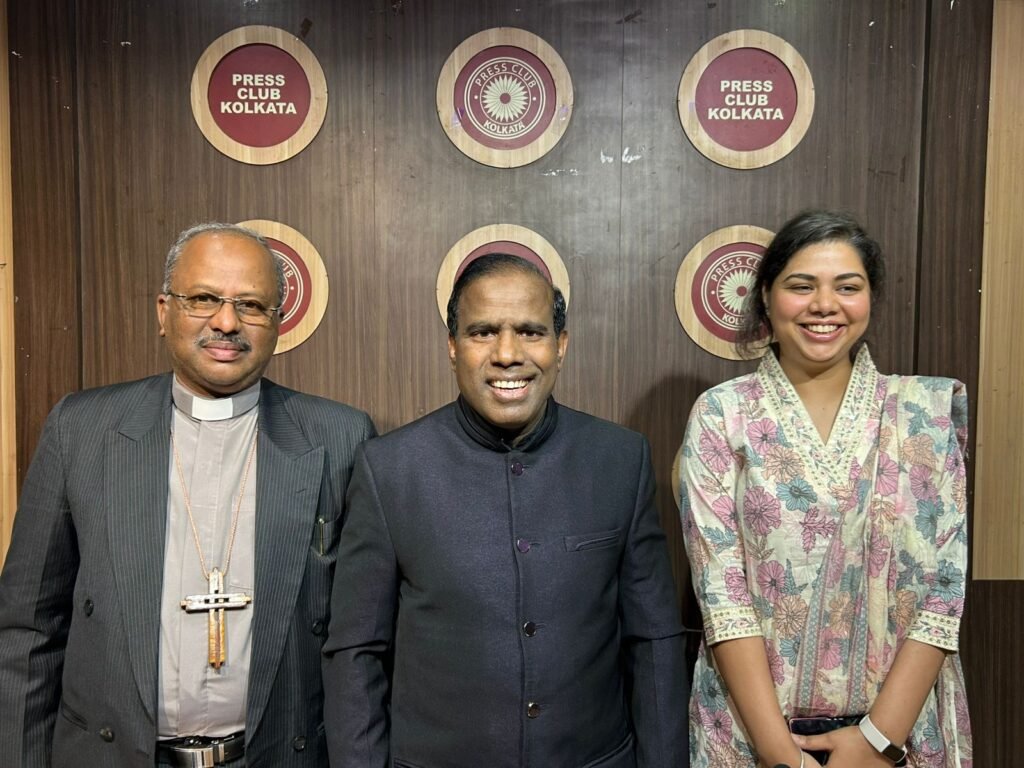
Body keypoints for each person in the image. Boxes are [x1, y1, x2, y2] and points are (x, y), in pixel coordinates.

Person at [0, 223, 376, 767]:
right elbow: (28, 633)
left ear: (277, 324)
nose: (226, 323)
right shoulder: (81, 430)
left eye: (251, 306)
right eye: (203, 299)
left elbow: (363, 641)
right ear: (163, 312)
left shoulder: (340, 437)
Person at [322, 254, 688, 768]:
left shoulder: (621, 460)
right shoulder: (389, 469)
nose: (508, 354)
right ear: (453, 346)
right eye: (483, 332)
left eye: (530, 332)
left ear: (561, 345)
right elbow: (356, 654)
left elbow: (654, 644)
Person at [679, 210, 972, 768]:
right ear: (766, 297)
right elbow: (723, 597)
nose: (824, 305)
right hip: (753, 737)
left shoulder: (923, 415)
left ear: (870, 298)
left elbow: (944, 590)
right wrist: (781, 756)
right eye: (801, 286)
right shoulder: (723, 415)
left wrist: (878, 741)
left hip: (898, 738)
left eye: (847, 287)